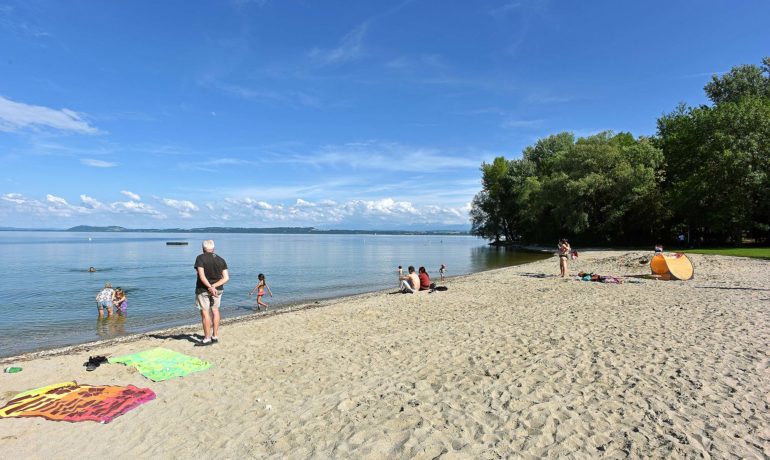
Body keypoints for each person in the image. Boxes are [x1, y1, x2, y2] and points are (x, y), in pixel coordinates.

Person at [194, 239, 229, 346]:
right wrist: (214, 286)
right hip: (218, 290)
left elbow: (201, 276)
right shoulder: (221, 260)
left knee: (205, 313)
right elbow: (226, 278)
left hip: (203, 289)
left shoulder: (200, 258)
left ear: (203, 248)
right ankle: (215, 336)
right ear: (213, 248)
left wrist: (210, 287)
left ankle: (207, 338)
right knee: (215, 310)